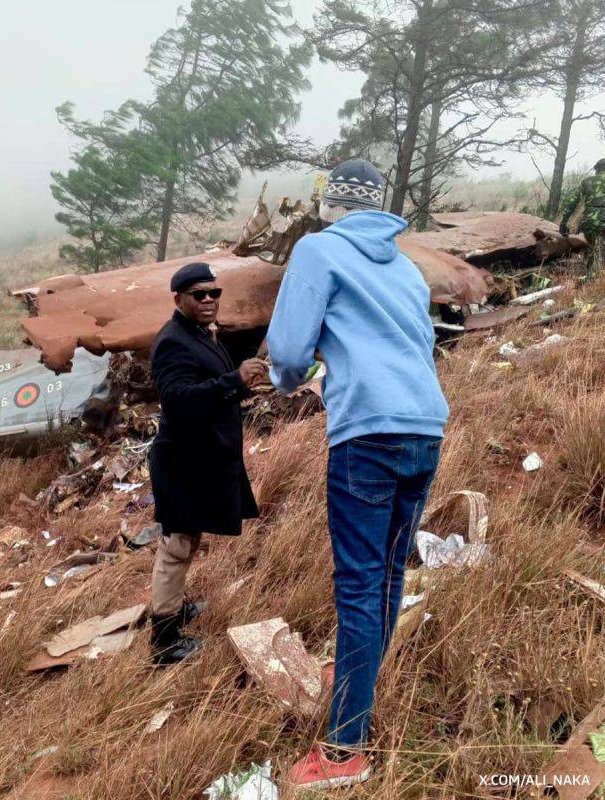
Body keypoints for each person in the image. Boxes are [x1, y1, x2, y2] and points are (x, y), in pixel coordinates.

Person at [266, 159, 448, 790]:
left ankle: (344, 751)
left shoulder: (319, 250)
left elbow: (288, 352)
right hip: (425, 426)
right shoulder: (406, 268)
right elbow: (422, 345)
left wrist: (288, 381)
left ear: (334, 207)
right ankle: (361, 692)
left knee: (359, 584)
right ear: (379, 206)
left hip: (367, 433)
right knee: (390, 574)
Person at [148, 261, 267, 666]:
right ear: (178, 299)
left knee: (187, 539)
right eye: (199, 294)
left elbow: (207, 390)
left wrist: (241, 386)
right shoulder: (172, 341)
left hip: (199, 457)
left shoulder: (198, 334)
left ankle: (175, 607)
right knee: (177, 545)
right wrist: (235, 381)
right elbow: (178, 399)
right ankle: (164, 641)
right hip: (182, 461)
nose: (209, 300)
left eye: (214, 293)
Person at [561, 157, 605, 273]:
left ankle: (591, 275)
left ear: (597, 170)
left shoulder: (587, 181)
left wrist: (564, 222)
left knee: (591, 255)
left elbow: (572, 202)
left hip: (589, 223)